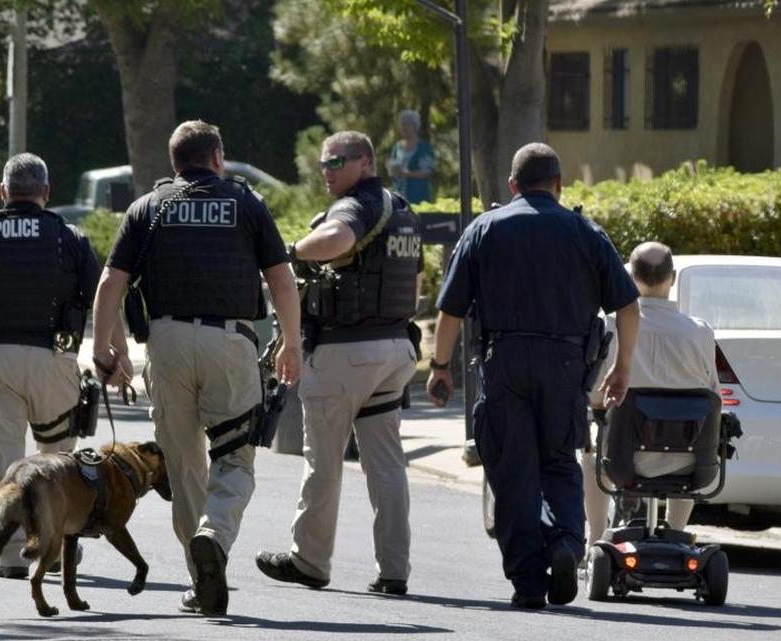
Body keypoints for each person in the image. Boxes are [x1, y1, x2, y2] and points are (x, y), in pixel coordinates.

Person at [91, 120, 302, 617]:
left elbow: (109, 285)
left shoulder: (148, 206)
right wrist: (291, 343)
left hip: (164, 344)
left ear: (174, 163)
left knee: (184, 467)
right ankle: (215, 535)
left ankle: (199, 578)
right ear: (218, 158)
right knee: (235, 457)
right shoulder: (246, 204)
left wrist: (106, 352)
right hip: (229, 342)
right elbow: (282, 281)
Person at [426, 142, 640, 610]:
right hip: (565, 368)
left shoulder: (485, 228)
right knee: (560, 461)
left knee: (513, 471)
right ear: (559, 185)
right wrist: (621, 370)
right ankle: (565, 542)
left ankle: (527, 581)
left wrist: (440, 367)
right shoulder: (585, 232)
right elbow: (628, 305)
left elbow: (451, 310)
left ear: (512, 185)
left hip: (504, 364)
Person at [255, 130, 422, 597]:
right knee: (386, 464)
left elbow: (337, 237)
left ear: (365, 163)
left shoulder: (357, 206)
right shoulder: (403, 213)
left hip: (346, 352)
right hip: (393, 351)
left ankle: (309, 560)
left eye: (336, 162)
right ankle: (394, 569)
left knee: (322, 462)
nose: (326, 171)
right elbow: (415, 286)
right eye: (323, 163)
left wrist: (288, 252)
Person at [0, 153, 106, 579]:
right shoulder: (71, 238)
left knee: (3, 461)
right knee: (57, 460)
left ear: (4, 192)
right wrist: (108, 352)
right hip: (55, 359)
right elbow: (103, 297)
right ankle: (58, 549)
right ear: (47, 193)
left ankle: (10, 555)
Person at [580, 242, 719, 540]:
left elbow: (596, 395)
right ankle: (676, 532)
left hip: (623, 456)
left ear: (631, 278)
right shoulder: (701, 331)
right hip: (689, 458)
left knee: (591, 453)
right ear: (673, 278)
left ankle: (596, 536)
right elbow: (713, 396)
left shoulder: (612, 326)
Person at [385, 110, 435, 204]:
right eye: (402, 125)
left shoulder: (423, 147)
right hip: (399, 197)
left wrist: (407, 174)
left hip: (418, 196)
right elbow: (392, 167)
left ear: (415, 126)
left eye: (407, 124)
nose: (404, 128)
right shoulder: (397, 147)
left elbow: (427, 172)